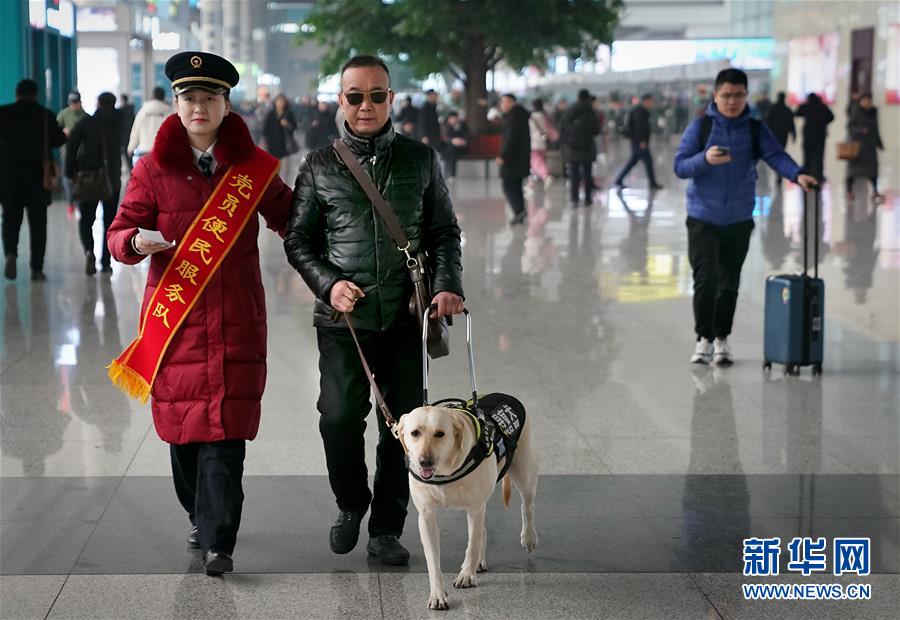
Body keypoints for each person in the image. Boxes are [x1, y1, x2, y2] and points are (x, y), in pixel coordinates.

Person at [105, 51, 293, 577]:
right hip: (176, 323)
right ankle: (199, 515)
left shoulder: (251, 167)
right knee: (184, 436)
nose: (199, 107)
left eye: (210, 97)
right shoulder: (151, 168)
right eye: (189, 97)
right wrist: (134, 242)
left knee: (226, 435)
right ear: (176, 103)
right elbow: (118, 233)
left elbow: (291, 218)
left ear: (227, 104)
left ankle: (218, 541)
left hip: (237, 319)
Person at [284, 54, 464, 567]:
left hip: (407, 318)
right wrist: (329, 284)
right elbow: (298, 240)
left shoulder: (421, 159)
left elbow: (444, 232)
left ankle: (387, 527)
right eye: (356, 96)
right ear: (341, 101)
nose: (366, 105)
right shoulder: (319, 165)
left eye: (377, 95)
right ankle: (351, 503)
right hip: (344, 322)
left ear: (391, 98)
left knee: (403, 429)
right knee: (338, 418)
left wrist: (446, 285)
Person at [674, 68, 817, 365]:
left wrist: (798, 174)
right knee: (706, 280)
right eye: (726, 95)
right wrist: (705, 159)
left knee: (729, 283)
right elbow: (681, 166)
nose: (732, 101)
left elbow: (775, 155)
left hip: (738, 218)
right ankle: (703, 338)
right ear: (715, 95)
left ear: (746, 96)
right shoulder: (700, 127)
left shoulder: (754, 129)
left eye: (738, 95)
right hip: (703, 217)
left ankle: (721, 338)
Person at [0, 79, 67, 281]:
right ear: (36, 94)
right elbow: (60, 140)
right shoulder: (45, 115)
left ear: (16, 93)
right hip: (39, 178)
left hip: (9, 178)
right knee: (38, 225)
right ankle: (37, 269)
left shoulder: (3, 113)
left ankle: (11, 253)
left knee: (10, 220)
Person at [65, 92, 123, 276]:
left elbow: (71, 145)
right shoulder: (119, 123)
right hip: (112, 179)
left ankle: (89, 251)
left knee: (86, 220)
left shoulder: (86, 123)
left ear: (98, 103)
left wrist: (70, 172)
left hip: (89, 178)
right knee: (109, 222)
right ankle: (106, 263)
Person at [560, 89, 601, 208]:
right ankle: (588, 199)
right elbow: (596, 130)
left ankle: (574, 199)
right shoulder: (590, 111)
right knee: (587, 174)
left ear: (578, 97)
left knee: (574, 175)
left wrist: (568, 140)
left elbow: (561, 128)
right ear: (588, 98)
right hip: (587, 147)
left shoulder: (570, 110)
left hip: (572, 148)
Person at [614, 93, 662, 191]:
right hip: (639, 142)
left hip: (637, 141)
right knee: (648, 161)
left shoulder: (641, 111)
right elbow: (639, 128)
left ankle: (619, 180)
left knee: (633, 162)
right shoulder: (640, 112)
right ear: (646, 101)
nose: (651, 104)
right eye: (650, 101)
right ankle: (652, 183)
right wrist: (642, 141)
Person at [496, 93, 531, 225]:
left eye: (505, 102)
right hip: (520, 157)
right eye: (502, 102)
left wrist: (503, 156)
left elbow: (510, 140)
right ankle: (520, 211)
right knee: (516, 185)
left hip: (512, 159)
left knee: (508, 185)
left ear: (513, 103)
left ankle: (518, 210)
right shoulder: (519, 116)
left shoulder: (513, 118)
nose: (503, 105)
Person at [845, 93, 884, 203]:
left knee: (873, 170)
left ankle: (875, 191)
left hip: (870, 146)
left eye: (869, 100)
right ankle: (849, 191)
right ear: (861, 101)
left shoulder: (873, 112)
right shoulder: (856, 111)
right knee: (852, 171)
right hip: (857, 146)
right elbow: (850, 126)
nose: (867, 103)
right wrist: (860, 130)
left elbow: (876, 128)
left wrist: (879, 143)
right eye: (865, 100)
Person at [57, 91, 87, 211]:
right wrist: (63, 131)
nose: (73, 105)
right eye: (71, 103)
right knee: (66, 176)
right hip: (67, 149)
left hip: (81, 151)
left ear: (80, 102)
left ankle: (78, 200)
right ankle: (71, 200)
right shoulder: (63, 114)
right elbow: (55, 130)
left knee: (79, 176)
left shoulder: (85, 116)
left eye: (75, 103)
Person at [794, 92, 834, 182]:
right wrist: (824, 122)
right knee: (819, 156)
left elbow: (797, 113)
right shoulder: (823, 107)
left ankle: (806, 173)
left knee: (807, 156)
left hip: (808, 135)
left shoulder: (806, 106)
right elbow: (831, 117)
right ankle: (819, 175)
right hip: (820, 135)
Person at [128, 86, 171, 163]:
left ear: (152, 96)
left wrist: (131, 148)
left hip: (145, 151)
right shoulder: (169, 112)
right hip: (164, 152)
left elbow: (135, 132)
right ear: (164, 97)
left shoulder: (142, 112)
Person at [262, 94, 299, 179]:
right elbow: (265, 129)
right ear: (275, 103)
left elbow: (294, 127)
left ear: (285, 103)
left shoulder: (288, 113)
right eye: (278, 101)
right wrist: (265, 141)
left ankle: (284, 182)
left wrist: (287, 124)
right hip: (272, 144)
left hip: (285, 145)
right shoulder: (271, 114)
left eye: (282, 102)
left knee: (285, 168)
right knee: (273, 167)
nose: (280, 103)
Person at [528, 98, 555, 191]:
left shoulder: (531, 116)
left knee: (535, 161)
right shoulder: (545, 115)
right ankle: (532, 181)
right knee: (538, 160)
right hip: (543, 142)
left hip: (533, 142)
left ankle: (545, 175)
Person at [439, 110, 469, 180]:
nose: (453, 120)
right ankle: (450, 174)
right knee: (450, 150)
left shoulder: (464, 126)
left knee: (450, 151)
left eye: (455, 118)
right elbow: (445, 137)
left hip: (462, 148)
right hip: (450, 148)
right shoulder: (446, 126)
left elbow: (468, 137)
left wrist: (462, 141)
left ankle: (449, 174)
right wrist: (452, 141)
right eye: (451, 118)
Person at [117, 94, 136, 172]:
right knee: (129, 152)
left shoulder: (120, 111)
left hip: (123, 135)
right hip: (131, 134)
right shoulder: (131, 110)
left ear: (122, 100)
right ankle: (131, 168)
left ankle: (130, 168)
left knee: (125, 152)